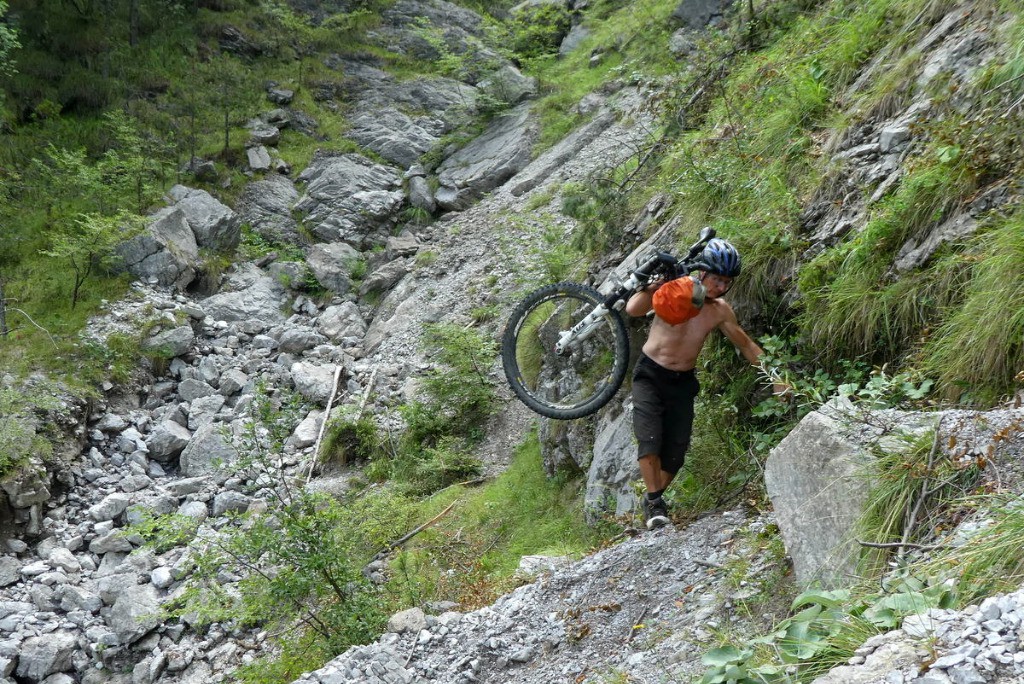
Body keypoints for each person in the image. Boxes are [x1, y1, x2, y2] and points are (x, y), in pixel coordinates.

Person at [624, 238, 787, 529]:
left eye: (726, 282)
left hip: (683, 382)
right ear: (702, 273)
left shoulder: (720, 310)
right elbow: (633, 309)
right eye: (716, 279)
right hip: (650, 374)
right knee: (649, 439)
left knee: (675, 454)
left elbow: (747, 345)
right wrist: (652, 286)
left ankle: (652, 498)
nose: (720, 287)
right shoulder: (673, 289)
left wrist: (777, 378)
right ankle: (655, 504)